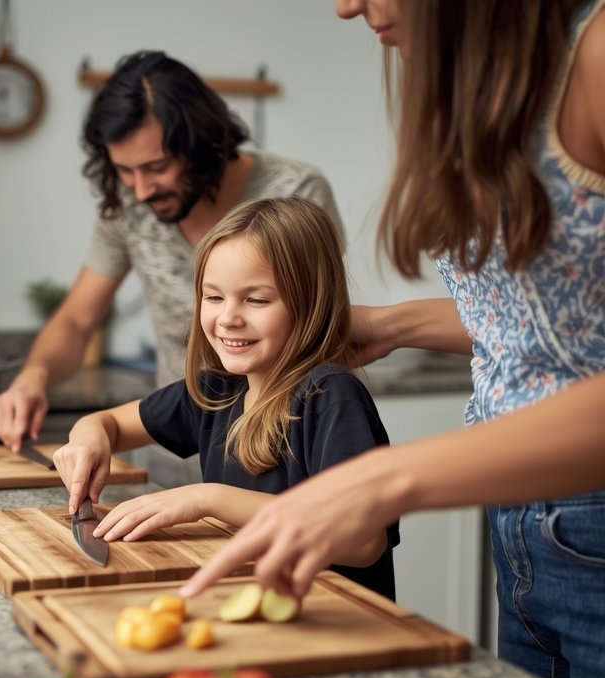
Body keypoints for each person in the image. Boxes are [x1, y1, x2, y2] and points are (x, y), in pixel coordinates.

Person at [182, 0, 605, 678]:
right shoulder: (487, 85)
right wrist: (398, 323)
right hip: (527, 533)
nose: (347, 6)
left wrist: (383, 480)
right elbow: (570, 331)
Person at [0, 50, 344, 487]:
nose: (140, 190)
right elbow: (77, 320)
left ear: (203, 145)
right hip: (176, 447)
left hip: (278, 459)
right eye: (124, 170)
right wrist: (32, 378)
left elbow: (322, 321)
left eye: (156, 168)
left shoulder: (296, 192)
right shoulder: (128, 207)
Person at [54, 197, 398, 600]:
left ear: (311, 304)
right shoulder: (217, 390)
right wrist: (89, 439)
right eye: (214, 297)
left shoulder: (330, 396)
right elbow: (105, 423)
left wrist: (208, 499)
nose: (228, 317)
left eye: (256, 300)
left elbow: (362, 542)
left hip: (340, 628)